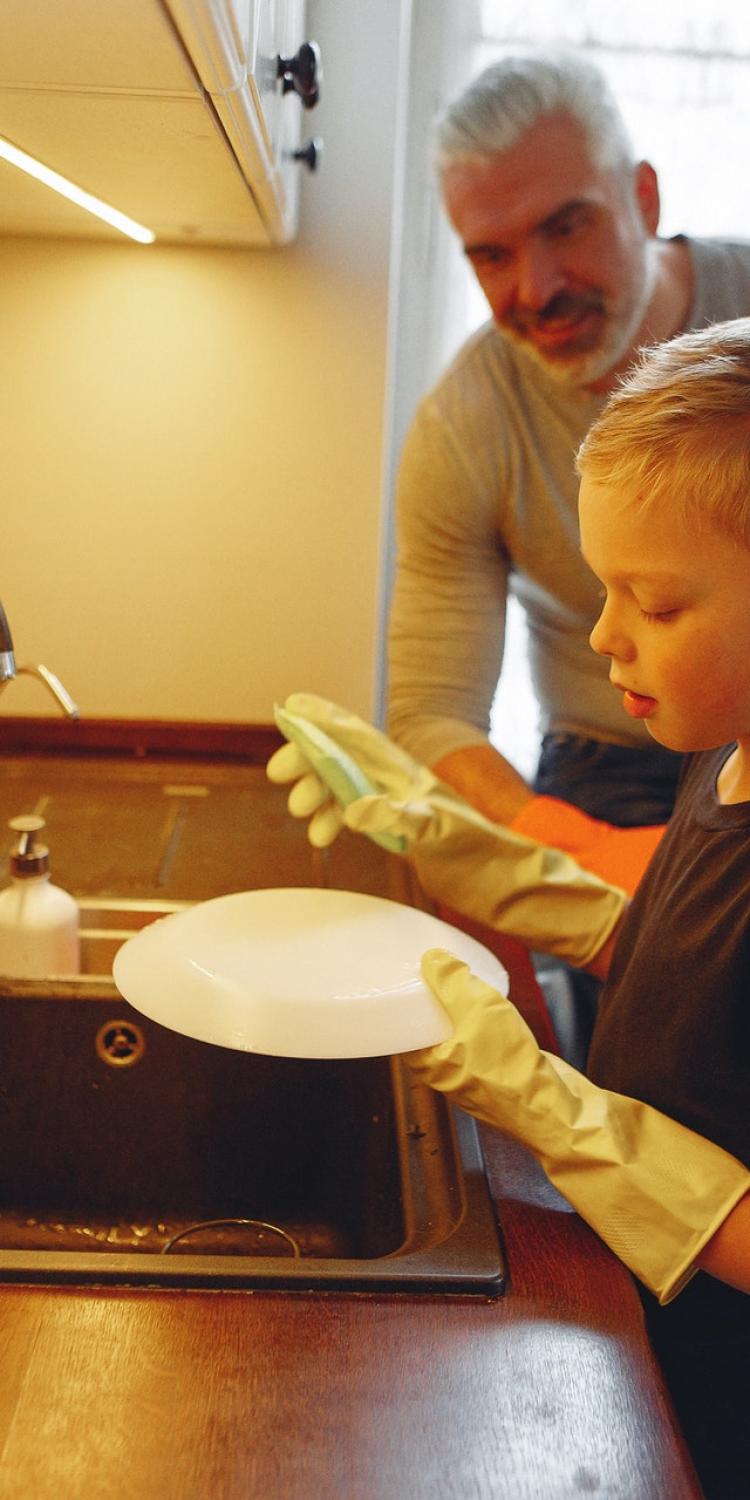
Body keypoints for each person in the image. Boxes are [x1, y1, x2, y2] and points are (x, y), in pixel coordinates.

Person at [267, 316, 750, 1499]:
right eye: (602, 590)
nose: (603, 635)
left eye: (657, 603)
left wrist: (553, 1109)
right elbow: (680, 950)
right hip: (648, 1334)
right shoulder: (723, 750)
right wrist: (456, 846)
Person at [387, 49, 750, 833]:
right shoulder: (464, 424)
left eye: (566, 225)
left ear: (644, 199)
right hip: (609, 759)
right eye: (492, 254)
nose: (537, 287)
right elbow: (431, 711)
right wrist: (571, 855)